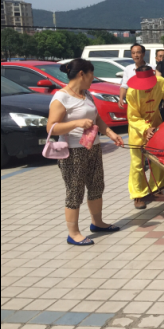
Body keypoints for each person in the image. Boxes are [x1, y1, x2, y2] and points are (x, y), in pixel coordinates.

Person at [47, 59, 124, 246]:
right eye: (91, 74)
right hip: (72, 152)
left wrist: (110, 133)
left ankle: (97, 222)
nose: (93, 78)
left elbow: (97, 118)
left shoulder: (86, 94)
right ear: (82, 74)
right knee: (75, 191)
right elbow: (51, 127)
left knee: (96, 186)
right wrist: (76, 123)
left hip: (93, 147)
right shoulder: (61, 97)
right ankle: (73, 233)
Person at [126, 65, 164, 209]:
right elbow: (132, 117)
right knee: (137, 164)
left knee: (158, 160)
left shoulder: (161, 82)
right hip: (138, 130)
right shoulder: (132, 92)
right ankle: (138, 195)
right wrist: (145, 129)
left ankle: (157, 188)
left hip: (156, 125)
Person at [118, 43, 147, 109]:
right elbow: (124, 86)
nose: (135, 55)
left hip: (148, 103)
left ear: (143, 54)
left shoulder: (152, 68)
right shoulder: (128, 69)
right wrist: (121, 98)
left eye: (138, 52)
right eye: (133, 53)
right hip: (133, 104)